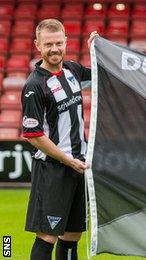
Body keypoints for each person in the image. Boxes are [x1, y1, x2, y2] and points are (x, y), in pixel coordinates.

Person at [21, 18, 98, 260]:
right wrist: (67, 159)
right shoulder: (34, 85)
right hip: (53, 168)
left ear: (66, 42)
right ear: (37, 45)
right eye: (48, 44)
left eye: (58, 43)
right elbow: (33, 136)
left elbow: (101, 75)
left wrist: (98, 50)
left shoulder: (73, 71)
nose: (54, 49)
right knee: (47, 236)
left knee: (72, 235)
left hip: (79, 165)